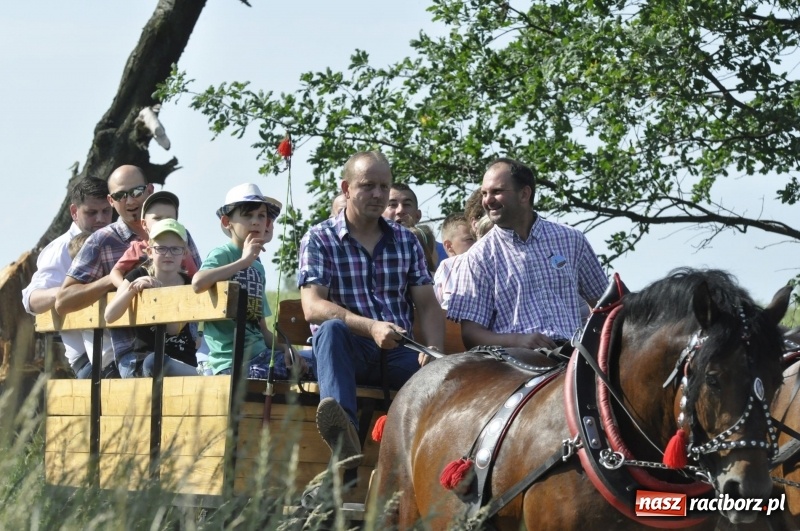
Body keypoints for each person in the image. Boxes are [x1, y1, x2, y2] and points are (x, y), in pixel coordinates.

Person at [298, 151, 444, 469]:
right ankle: (344, 436)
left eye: (383, 186)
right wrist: (371, 327)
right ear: (346, 188)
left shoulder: (406, 241)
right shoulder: (319, 238)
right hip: (346, 352)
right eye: (368, 186)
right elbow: (312, 307)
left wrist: (434, 350)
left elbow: (428, 304)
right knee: (331, 330)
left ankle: (441, 459)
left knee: (444, 377)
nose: (378, 194)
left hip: (397, 351)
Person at [448, 158, 608, 349]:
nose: (487, 200)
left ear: (524, 194)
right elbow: (471, 334)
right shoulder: (478, 256)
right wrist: (518, 340)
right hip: (515, 360)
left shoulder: (571, 239)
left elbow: (605, 306)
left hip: (573, 353)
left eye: (497, 191)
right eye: (484, 193)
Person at [192, 183, 309, 379]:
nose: (255, 222)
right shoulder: (223, 254)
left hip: (260, 355)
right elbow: (198, 283)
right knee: (301, 373)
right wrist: (243, 262)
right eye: (248, 215)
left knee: (311, 367)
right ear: (227, 222)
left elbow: (262, 330)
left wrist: (286, 349)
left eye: (261, 216)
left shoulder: (258, 268)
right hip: (233, 363)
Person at [57, 165, 202, 314]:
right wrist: (121, 279)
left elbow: (199, 282)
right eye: (120, 195)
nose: (130, 201)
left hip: (181, 326)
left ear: (150, 190)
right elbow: (63, 302)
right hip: (129, 329)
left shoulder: (180, 234)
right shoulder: (101, 240)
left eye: (137, 191)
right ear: (111, 200)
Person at [22, 177, 118, 378]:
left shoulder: (116, 241)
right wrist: (67, 292)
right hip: (90, 362)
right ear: (74, 212)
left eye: (106, 211)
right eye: (91, 212)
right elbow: (31, 299)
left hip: (120, 352)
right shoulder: (61, 249)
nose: (100, 219)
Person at [105, 219, 199, 377]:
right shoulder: (138, 275)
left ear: (184, 253)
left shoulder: (188, 285)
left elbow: (173, 329)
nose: (168, 254)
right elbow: (109, 316)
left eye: (175, 249)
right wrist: (133, 289)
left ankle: (201, 376)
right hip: (147, 360)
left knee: (162, 363)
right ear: (149, 251)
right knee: (153, 362)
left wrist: (157, 294)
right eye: (161, 248)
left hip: (182, 360)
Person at [108, 191, 199, 287]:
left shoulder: (179, 251)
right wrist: (127, 287)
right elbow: (115, 272)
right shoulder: (137, 248)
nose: (163, 222)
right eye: (158, 218)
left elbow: (194, 278)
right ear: (144, 224)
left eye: (169, 219)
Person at [383, 182, 448, 262]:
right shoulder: (371, 249)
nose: (400, 210)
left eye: (406, 204)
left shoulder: (444, 253)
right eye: (392, 204)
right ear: (379, 214)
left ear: (418, 215)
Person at [433, 212, 476, 308]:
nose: (477, 244)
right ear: (449, 246)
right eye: (470, 239)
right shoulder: (446, 267)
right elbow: (437, 307)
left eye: (477, 238)